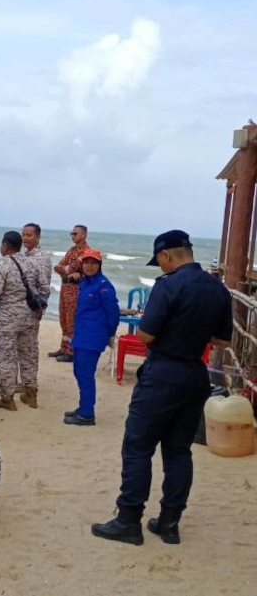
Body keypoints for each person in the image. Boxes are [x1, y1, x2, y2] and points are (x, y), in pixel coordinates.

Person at [92, 231, 232, 546]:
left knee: (138, 448)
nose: (160, 268)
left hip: (162, 374)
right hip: (196, 376)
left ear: (167, 255)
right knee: (179, 451)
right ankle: (169, 523)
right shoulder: (218, 290)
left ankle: (129, 520)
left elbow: (144, 336)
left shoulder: (168, 286)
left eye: (160, 262)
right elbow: (223, 341)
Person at [0, 231, 48, 411]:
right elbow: (44, 287)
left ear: (5, 246)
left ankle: (7, 398)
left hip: (7, 320)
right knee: (29, 355)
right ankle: (30, 393)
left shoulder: (2, 265)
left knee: (5, 357)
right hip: (30, 318)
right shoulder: (33, 263)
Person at [64, 248, 120, 426]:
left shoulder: (103, 285)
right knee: (79, 372)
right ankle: (83, 407)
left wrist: (108, 334)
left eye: (93, 263)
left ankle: (87, 414)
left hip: (93, 337)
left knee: (85, 374)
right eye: (86, 262)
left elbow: (113, 313)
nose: (89, 266)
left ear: (99, 265)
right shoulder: (85, 282)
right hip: (81, 335)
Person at [51, 225, 89, 363]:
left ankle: (72, 352)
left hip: (76, 290)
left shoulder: (86, 252)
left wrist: (71, 271)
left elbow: (71, 268)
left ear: (84, 235)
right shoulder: (72, 250)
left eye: (75, 234)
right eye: (71, 234)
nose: (72, 236)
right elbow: (58, 266)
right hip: (65, 288)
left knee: (72, 321)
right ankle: (64, 348)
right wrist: (67, 271)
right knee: (64, 319)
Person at [21, 223, 53, 291]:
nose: (24, 238)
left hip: (34, 300)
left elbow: (44, 287)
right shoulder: (24, 255)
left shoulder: (42, 257)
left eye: (29, 235)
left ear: (38, 238)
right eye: (23, 235)